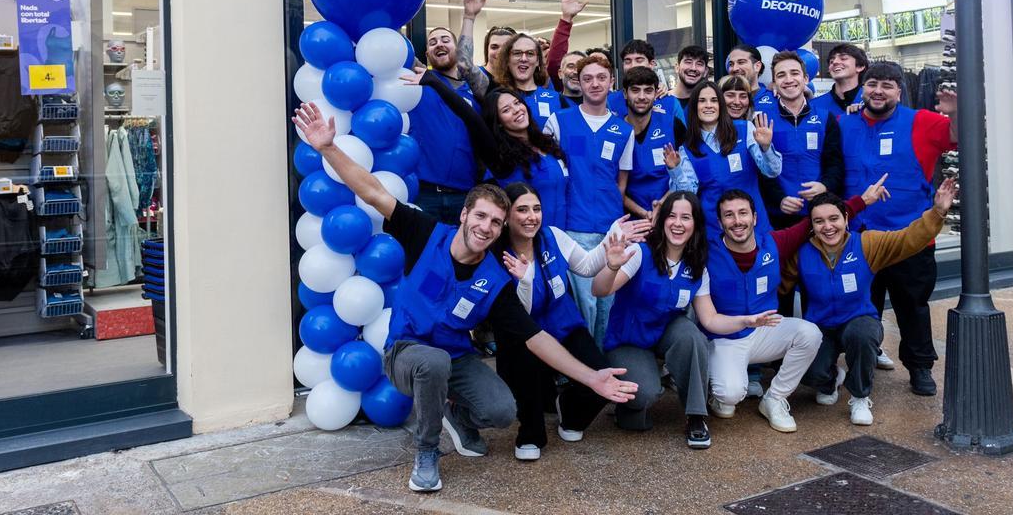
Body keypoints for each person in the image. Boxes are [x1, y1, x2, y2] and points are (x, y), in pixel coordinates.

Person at [292, 103, 637, 493]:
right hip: (407, 352)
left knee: (503, 412)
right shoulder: (424, 232)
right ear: (464, 215)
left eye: (495, 222)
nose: (486, 227)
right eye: (480, 217)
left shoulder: (495, 276)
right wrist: (328, 148)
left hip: (456, 359)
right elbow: (372, 191)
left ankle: (457, 412)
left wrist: (593, 378)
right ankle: (426, 452)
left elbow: (534, 336)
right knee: (432, 362)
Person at [593, 191, 782, 448]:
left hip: (664, 331)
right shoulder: (641, 253)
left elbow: (711, 319)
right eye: (671, 216)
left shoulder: (696, 267)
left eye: (686, 217)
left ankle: (696, 416)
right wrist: (612, 266)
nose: (678, 223)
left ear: (695, 224)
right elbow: (600, 290)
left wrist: (746, 321)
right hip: (629, 340)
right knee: (645, 395)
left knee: (692, 335)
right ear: (662, 221)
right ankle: (628, 406)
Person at [705, 177, 887, 429]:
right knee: (730, 396)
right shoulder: (705, 251)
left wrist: (863, 200)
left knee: (809, 333)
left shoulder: (773, 243)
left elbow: (817, 221)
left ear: (755, 218)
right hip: (725, 337)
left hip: (762, 331)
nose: (737, 221)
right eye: (729, 215)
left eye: (743, 213)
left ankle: (775, 398)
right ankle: (720, 391)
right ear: (719, 222)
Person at [494, 183, 653, 460]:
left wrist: (611, 241)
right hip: (524, 338)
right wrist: (527, 281)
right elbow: (523, 314)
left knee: (604, 377)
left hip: (564, 325)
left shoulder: (553, 236)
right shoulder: (497, 255)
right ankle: (531, 432)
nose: (532, 216)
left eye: (536, 209)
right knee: (528, 379)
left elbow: (588, 266)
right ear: (507, 216)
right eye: (522, 210)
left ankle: (567, 409)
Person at [781, 179, 957, 425]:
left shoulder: (866, 243)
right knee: (810, 374)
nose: (827, 227)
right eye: (819, 221)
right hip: (820, 327)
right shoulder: (802, 254)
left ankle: (860, 396)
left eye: (834, 219)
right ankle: (831, 378)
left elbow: (907, 239)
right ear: (811, 226)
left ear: (845, 218)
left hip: (858, 319)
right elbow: (778, 287)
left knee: (862, 336)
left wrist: (937, 212)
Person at [840, 61, 958, 396]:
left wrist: (956, 112)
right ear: (863, 87)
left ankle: (920, 367)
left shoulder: (921, 121)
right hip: (860, 239)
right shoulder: (844, 124)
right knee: (862, 307)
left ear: (899, 90)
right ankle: (863, 363)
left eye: (887, 85)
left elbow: (957, 136)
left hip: (912, 237)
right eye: (872, 83)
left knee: (913, 307)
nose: (878, 90)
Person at [544, 54, 634, 346]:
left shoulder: (624, 130)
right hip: (574, 226)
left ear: (611, 82)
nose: (594, 84)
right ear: (578, 83)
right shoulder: (559, 121)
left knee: (606, 302)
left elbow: (621, 182)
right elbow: (548, 173)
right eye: (587, 79)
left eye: (601, 78)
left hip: (611, 228)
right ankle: (585, 368)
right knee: (585, 304)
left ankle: (599, 364)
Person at [410, 70, 570, 230]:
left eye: (517, 103)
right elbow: (470, 117)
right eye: (506, 110)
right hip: (527, 243)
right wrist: (434, 81)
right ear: (498, 122)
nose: (516, 110)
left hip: (562, 239)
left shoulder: (547, 144)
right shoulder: (502, 158)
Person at [682, 80, 780, 241]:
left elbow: (772, 171)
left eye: (714, 100)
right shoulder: (687, 149)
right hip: (715, 233)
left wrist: (766, 148)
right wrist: (675, 170)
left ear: (721, 105)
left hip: (755, 227)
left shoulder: (745, 129)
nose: (708, 105)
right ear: (694, 108)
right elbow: (688, 194)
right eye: (702, 100)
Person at [758, 51, 845, 228]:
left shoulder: (825, 118)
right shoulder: (762, 120)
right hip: (779, 216)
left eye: (794, 73)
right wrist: (779, 199)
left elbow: (835, 163)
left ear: (805, 79)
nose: (789, 79)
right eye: (781, 75)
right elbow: (759, 170)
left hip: (819, 213)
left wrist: (825, 186)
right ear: (774, 83)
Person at [406, 26, 480, 223]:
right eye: (433, 42)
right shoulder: (419, 81)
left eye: (445, 40)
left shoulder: (477, 92)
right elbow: (396, 46)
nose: (439, 44)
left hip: (465, 195)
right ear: (427, 55)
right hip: (424, 193)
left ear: (457, 48)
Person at [621, 65, 698, 219]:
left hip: (670, 214)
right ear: (625, 93)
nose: (642, 97)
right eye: (635, 90)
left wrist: (662, 205)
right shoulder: (615, 132)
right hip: (631, 221)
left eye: (648, 90)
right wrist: (645, 214)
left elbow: (688, 178)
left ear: (656, 93)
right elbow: (615, 188)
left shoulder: (672, 125)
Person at [493, 32, 563, 129]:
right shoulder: (496, 100)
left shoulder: (557, 99)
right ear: (507, 60)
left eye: (530, 54)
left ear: (538, 61)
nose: (524, 59)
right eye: (517, 53)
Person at [811, 43, 868, 121]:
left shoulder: (871, 103)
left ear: (859, 67)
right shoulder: (814, 105)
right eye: (831, 61)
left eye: (843, 58)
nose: (835, 62)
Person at [661, 45, 711, 123]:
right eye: (688, 62)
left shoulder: (709, 104)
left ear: (705, 71)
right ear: (677, 67)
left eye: (699, 64)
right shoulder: (661, 100)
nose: (693, 68)